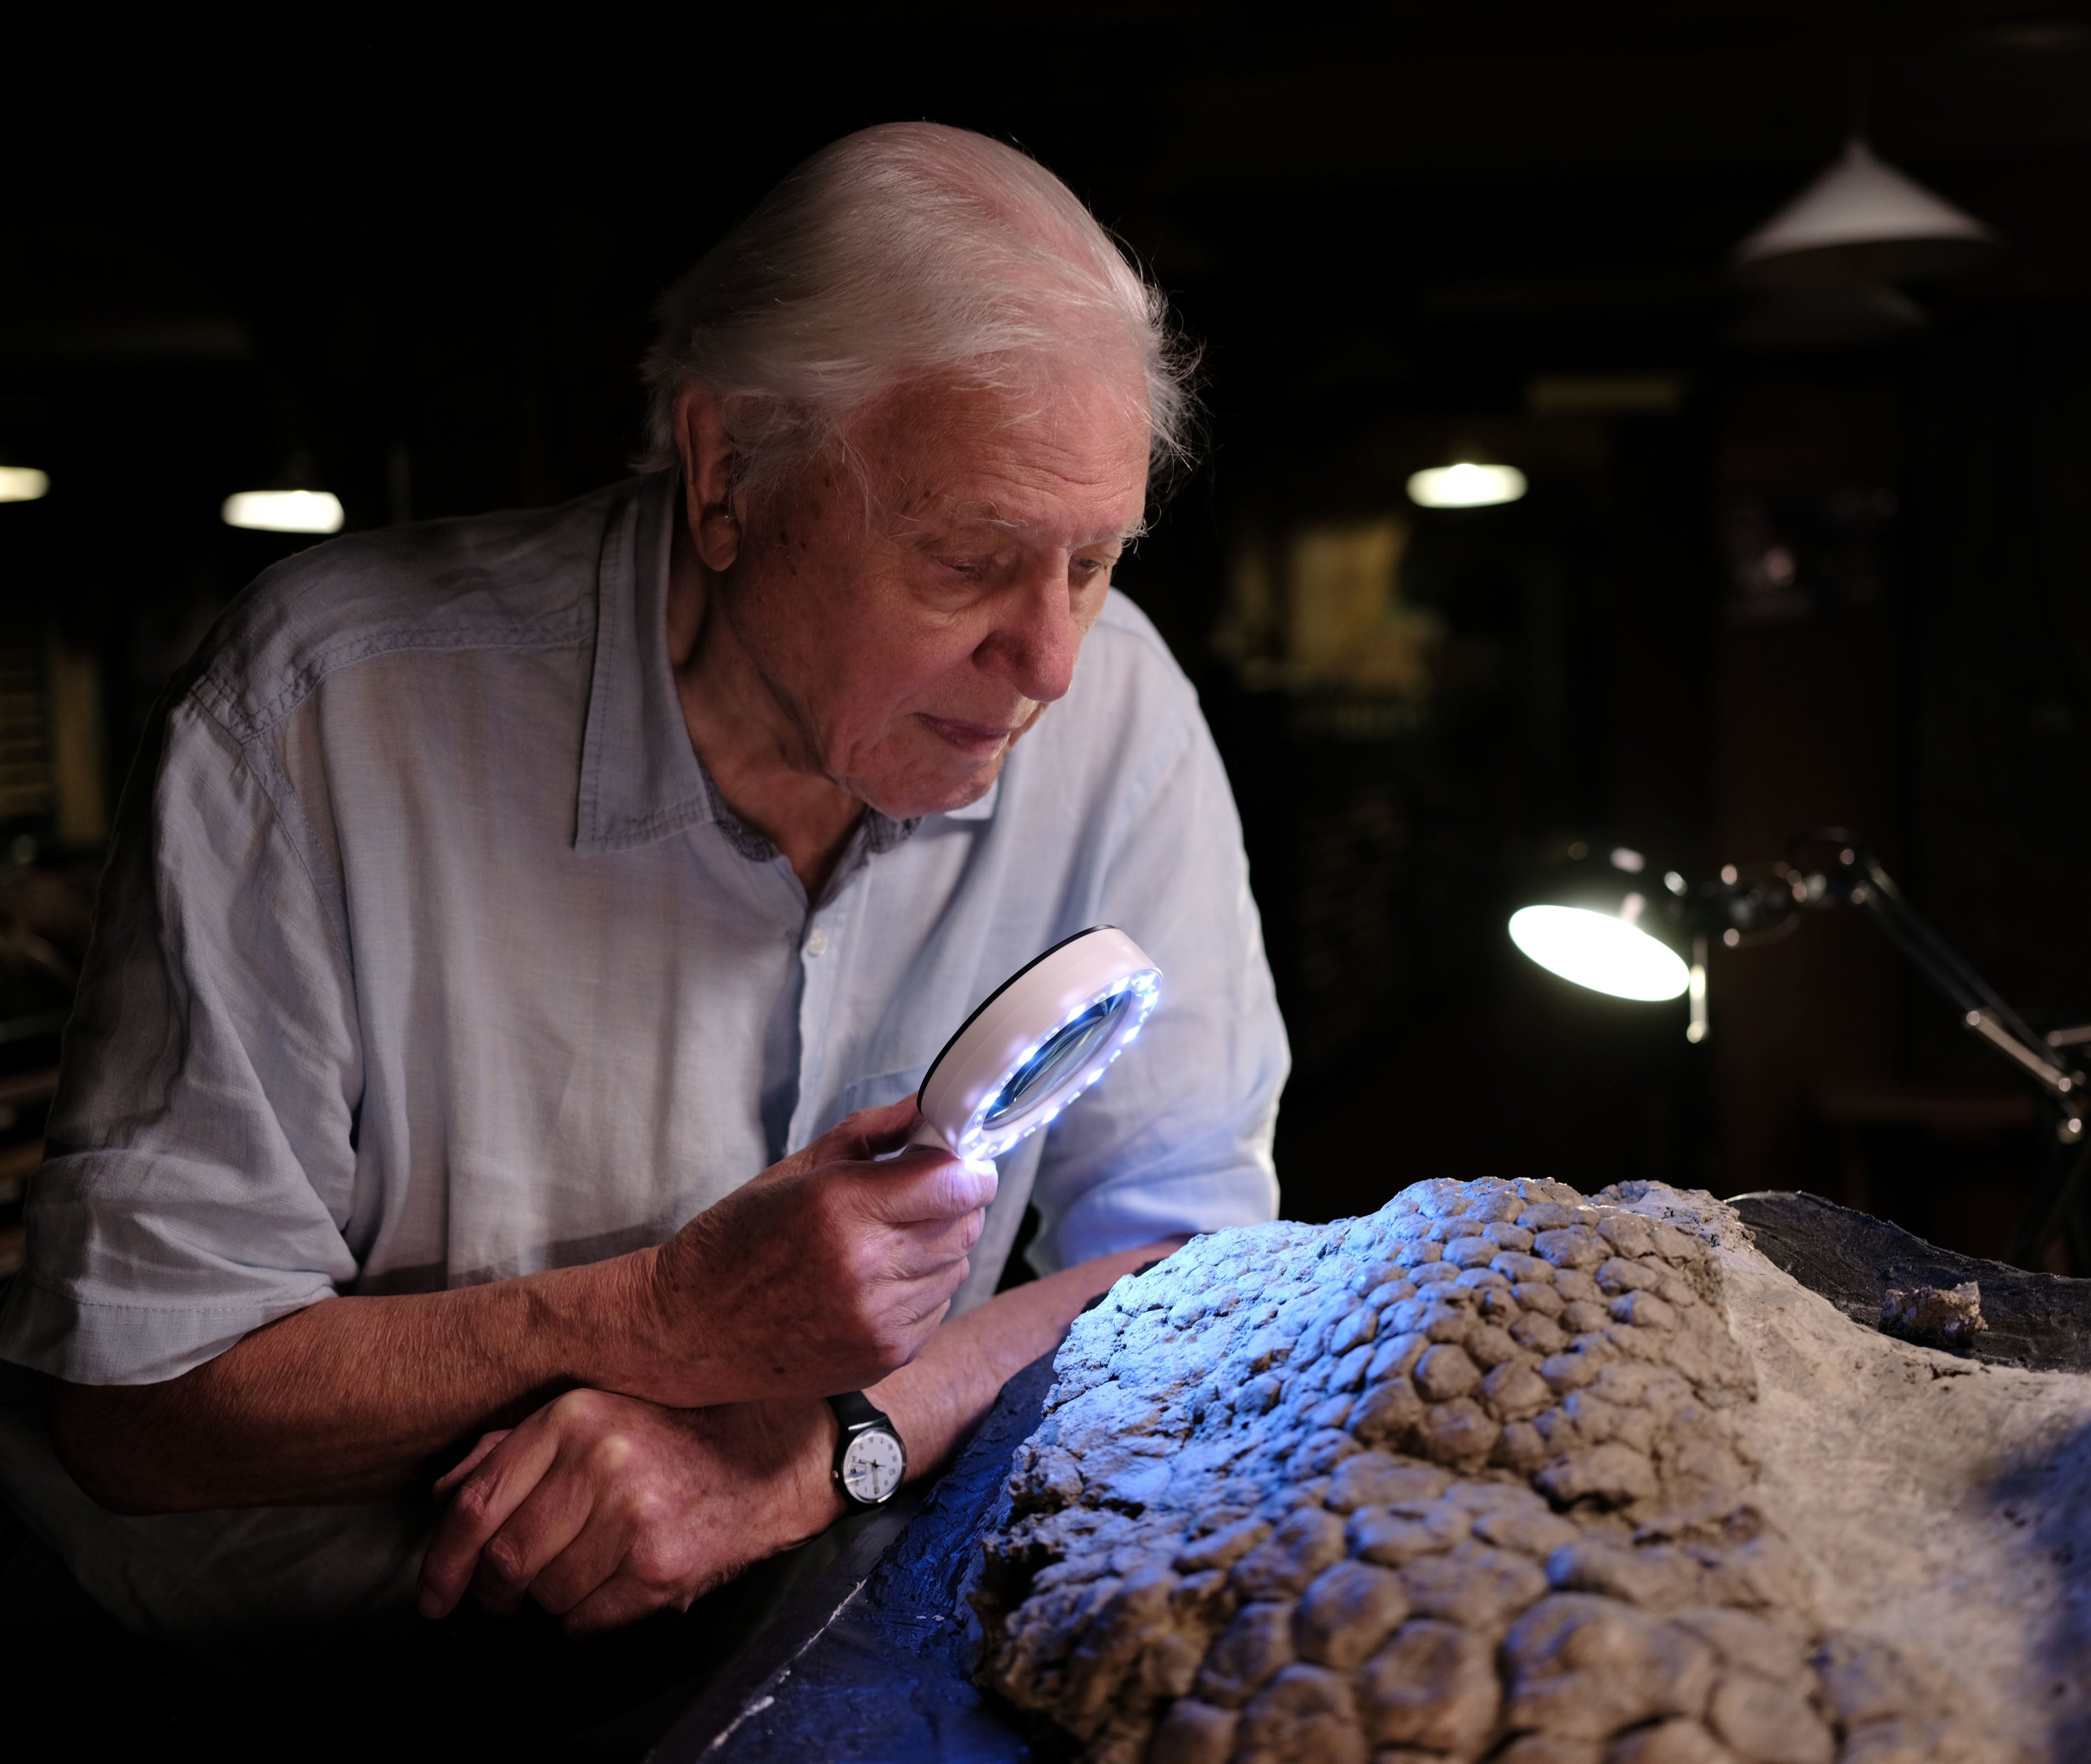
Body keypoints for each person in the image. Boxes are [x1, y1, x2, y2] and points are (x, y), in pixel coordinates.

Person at [0, 121, 1286, 1719]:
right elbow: (135, 1402)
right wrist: (664, 1325)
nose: (1051, 666)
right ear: (731, 471)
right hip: (268, 1686)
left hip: (795, 1644)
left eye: (1094, 564)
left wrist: (823, 1444)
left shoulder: (1124, 719)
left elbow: (1200, 1275)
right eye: (969, 561)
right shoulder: (329, 713)